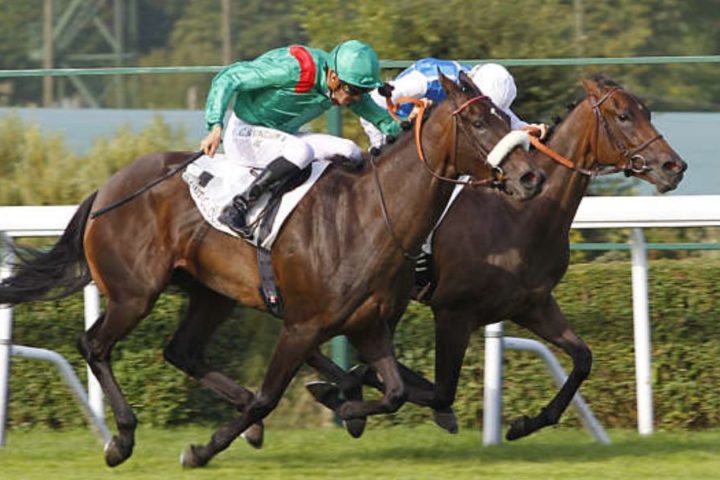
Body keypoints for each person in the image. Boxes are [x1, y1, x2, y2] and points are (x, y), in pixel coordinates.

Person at [200, 40, 402, 237]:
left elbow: (383, 120)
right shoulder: (294, 70)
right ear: (333, 77)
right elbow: (228, 77)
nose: (357, 98)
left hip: (282, 135)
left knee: (350, 151)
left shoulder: (342, 82)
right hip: (243, 134)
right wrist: (215, 125)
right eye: (355, 91)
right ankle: (237, 208)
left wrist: (411, 126)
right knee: (300, 151)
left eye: (364, 91)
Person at [360, 58, 547, 149]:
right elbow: (374, 100)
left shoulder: (479, 86)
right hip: (395, 136)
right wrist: (386, 141)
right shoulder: (427, 79)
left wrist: (527, 128)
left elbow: (503, 118)